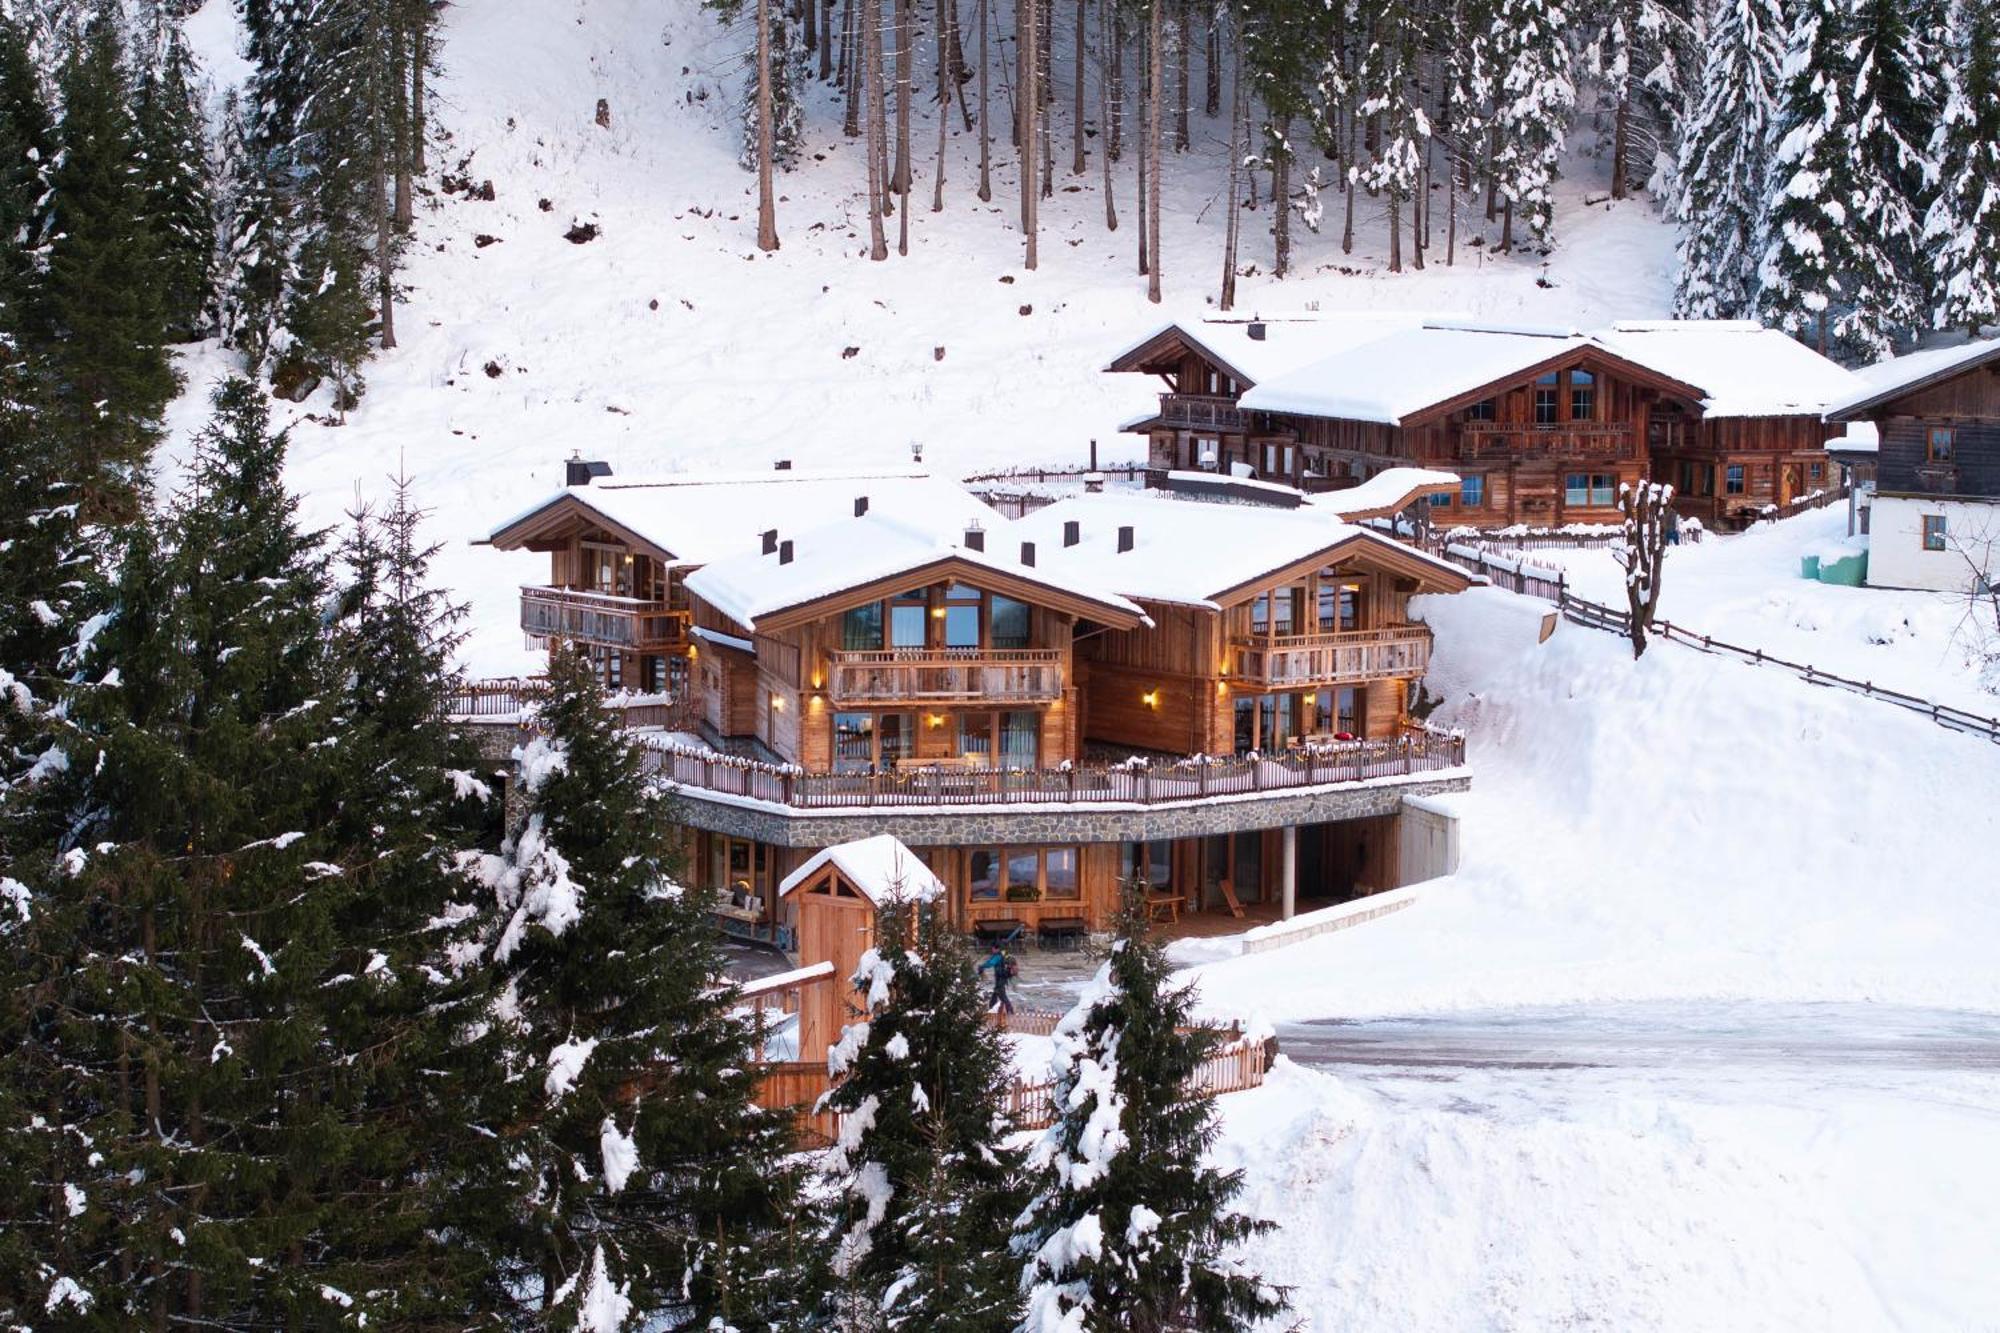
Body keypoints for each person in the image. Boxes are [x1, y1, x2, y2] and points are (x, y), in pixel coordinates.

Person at [977, 945, 1016, 1015]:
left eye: (993, 949)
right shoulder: (997, 956)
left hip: (1001, 978)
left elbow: (991, 963)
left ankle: (1010, 1011)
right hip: (1000, 978)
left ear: (996, 949)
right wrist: (983, 965)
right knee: (996, 994)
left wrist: (982, 966)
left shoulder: (998, 956)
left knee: (1002, 995)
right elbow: (989, 961)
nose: (992, 950)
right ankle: (991, 1009)